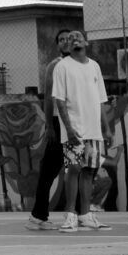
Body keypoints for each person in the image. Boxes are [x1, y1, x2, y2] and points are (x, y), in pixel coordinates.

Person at [53, 31, 112, 232]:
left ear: (85, 42)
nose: (74, 39)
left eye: (78, 36)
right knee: (74, 169)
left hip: (93, 130)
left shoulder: (94, 66)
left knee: (89, 171)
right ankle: (70, 215)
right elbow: (59, 101)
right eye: (70, 38)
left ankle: (85, 215)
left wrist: (106, 128)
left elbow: (101, 99)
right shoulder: (62, 66)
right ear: (67, 45)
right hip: (74, 129)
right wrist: (68, 129)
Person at [27, 29, 70, 231]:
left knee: (77, 169)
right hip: (58, 122)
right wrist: (50, 125)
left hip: (75, 123)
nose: (65, 42)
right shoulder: (55, 65)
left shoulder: (80, 65)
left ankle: (80, 212)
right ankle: (38, 216)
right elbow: (48, 98)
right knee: (49, 171)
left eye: (68, 39)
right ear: (57, 45)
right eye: (61, 40)